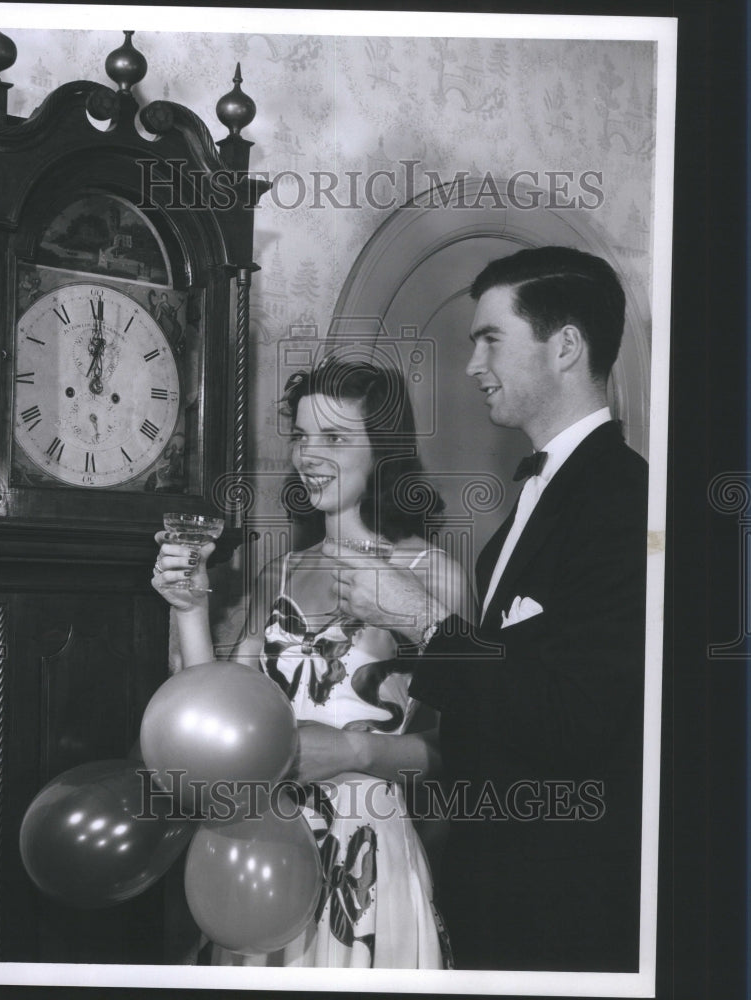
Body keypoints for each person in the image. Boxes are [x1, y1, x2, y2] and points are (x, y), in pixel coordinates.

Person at [331, 246, 648, 972]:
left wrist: (420, 622)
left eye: (489, 339)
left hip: (567, 905)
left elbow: (575, 714)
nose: (472, 365)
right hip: (494, 887)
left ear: (565, 345)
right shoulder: (525, 512)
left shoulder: (622, 502)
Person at [151, 357, 472, 968]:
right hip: (262, 857)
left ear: (383, 450)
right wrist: (189, 604)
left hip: (366, 866)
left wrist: (355, 752)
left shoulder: (432, 578)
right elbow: (214, 725)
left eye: (334, 437)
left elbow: (456, 749)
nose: (308, 454)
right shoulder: (284, 571)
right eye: (300, 435)